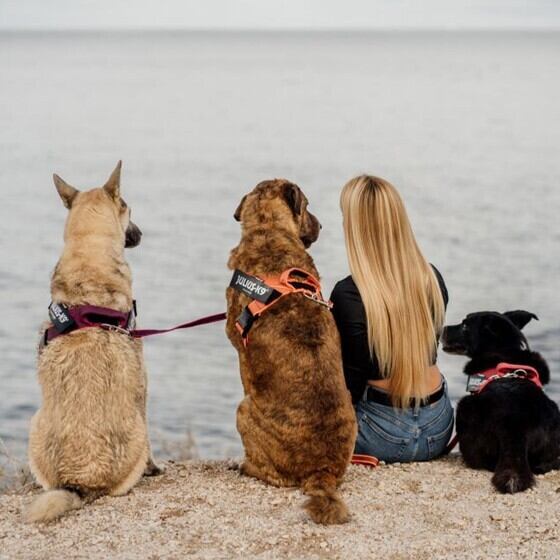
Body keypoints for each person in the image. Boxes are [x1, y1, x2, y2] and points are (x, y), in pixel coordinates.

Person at [330, 175, 453, 462]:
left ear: (356, 226)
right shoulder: (431, 278)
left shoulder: (348, 294)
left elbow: (349, 385)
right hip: (440, 425)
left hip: (381, 435)